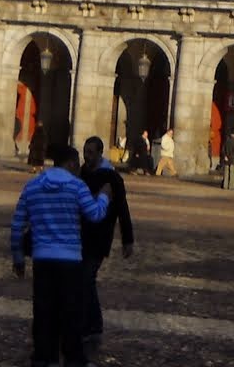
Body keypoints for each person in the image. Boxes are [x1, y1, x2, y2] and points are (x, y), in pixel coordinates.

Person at [11, 144, 110, 367]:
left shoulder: (32, 186)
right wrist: (104, 197)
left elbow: (17, 224)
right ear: (72, 164)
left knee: (43, 311)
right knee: (70, 313)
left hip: (42, 259)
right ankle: (73, 359)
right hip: (70, 260)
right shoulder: (77, 187)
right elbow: (95, 215)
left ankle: (43, 358)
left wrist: (18, 257)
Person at [79, 137, 134, 345]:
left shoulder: (112, 177)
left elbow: (123, 209)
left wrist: (127, 240)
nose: (87, 156)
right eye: (85, 151)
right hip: (82, 235)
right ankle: (94, 324)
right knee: (86, 281)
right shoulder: (82, 173)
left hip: (100, 237)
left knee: (86, 278)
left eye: (91, 152)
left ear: (100, 153)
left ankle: (88, 324)